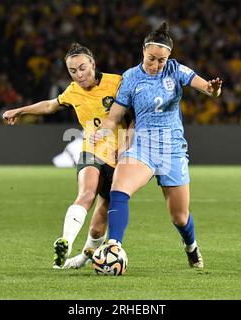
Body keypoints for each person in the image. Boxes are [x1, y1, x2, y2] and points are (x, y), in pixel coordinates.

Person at [91, 23, 223, 268]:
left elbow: (207, 88)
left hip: (172, 149)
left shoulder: (176, 70)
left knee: (180, 217)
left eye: (161, 60)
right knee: (118, 188)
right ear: (143, 51)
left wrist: (213, 90)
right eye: (152, 58)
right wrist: (102, 132)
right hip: (143, 147)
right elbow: (114, 116)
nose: (156, 64)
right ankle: (113, 246)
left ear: (169, 58)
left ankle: (191, 247)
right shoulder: (131, 77)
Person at [3, 43, 132, 269]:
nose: (79, 75)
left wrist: (127, 143)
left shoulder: (117, 82)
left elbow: (135, 116)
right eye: (73, 71)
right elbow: (50, 106)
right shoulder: (73, 91)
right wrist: (20, 110)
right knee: (86, 194)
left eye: (82, 68)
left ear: (92, 63)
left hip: (119, 157)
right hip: (91, 150)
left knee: (96, 228)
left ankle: (83, 257)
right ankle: (66, 242)